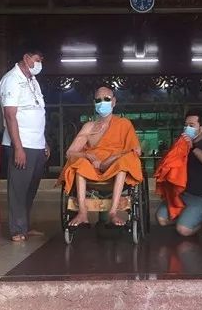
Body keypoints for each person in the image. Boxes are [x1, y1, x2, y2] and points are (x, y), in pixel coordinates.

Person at [59, 86, 142, 227]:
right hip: (93, 169)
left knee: (124, 162)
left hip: (115, 168)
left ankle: (113, 212)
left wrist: (110, 160)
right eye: (98, 100)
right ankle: (82, 213)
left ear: (114, 102)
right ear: (94, 103)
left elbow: (136, 150)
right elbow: (70, 153)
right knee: (80, 163)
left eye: (106, 99)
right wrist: (87, 155)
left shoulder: (124, 124)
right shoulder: (89, 127)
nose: (102, 102)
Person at [0, 46, 50, 242]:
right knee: (18, 189)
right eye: (37, 60)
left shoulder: (32, 80)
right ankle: (17, 229)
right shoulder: (11, 80)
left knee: (30, 188)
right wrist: (18, 148)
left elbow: (38, 112)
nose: (39, 64)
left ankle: (25, 226)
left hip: (37, 143)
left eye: (41, 61)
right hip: (21, 144)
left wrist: (44, 141)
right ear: (26, 57)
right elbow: (10, 115)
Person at [155, 108, 202, 237]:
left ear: (201, 128)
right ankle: (190, 218)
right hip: (183, 195)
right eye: (185, 125)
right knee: (161, 220)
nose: (187, 128)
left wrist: (192, 147)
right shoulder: (181, 144)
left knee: (183, 230)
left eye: (191, 125)